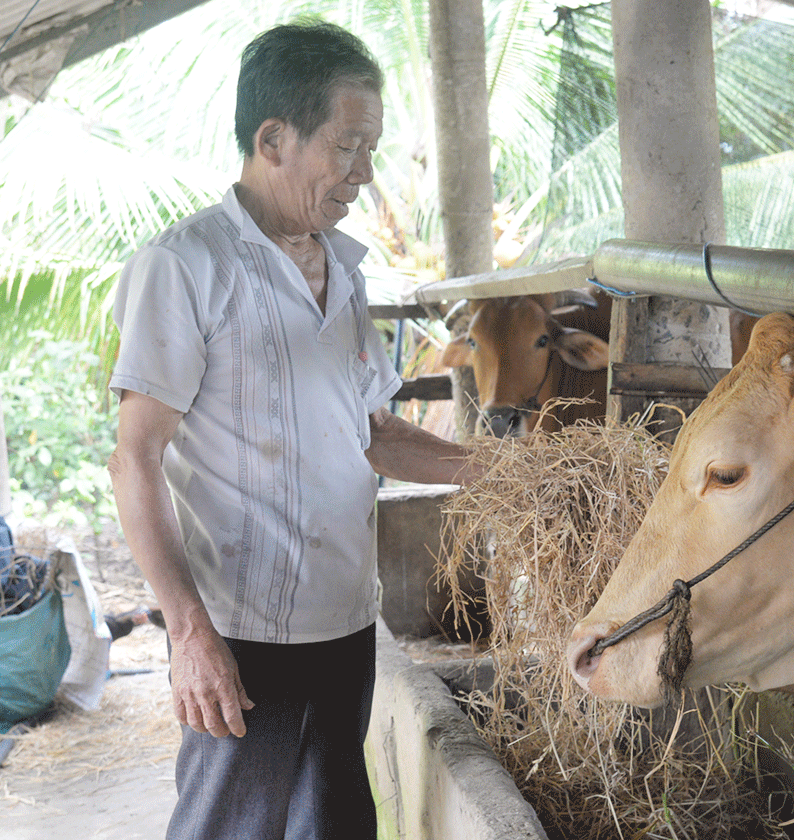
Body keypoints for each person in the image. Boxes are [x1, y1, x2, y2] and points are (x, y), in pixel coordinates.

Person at [107, 20, 478, 839]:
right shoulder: (185, 266)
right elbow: (135, 458)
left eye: (370, 149)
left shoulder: (342, 273)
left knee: (340, 823)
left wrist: (494, 469)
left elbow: (373, 434)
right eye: (348, 146)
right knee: (230, 828)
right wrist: (188, 633)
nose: (364, 174)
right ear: (273, 138)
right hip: (242, 635)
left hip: (346, 623)